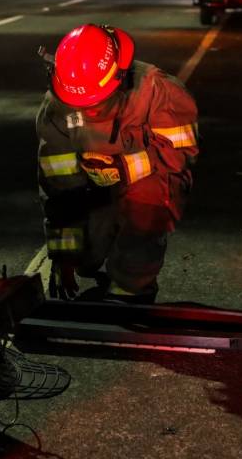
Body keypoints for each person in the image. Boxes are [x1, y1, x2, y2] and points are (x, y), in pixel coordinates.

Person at [36, 24, 198, 303]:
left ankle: (131, 288)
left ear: (120, 76)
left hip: (146, 183)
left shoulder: (158, 92)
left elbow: (178, 155)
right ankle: (90, 255)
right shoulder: (56, 107)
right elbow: (59, 190)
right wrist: (62, 258)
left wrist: (123, 168)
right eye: (79, 103)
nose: (88, 110)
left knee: (149, 197)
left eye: (96, 103)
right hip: (94, 191)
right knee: (84, 255)